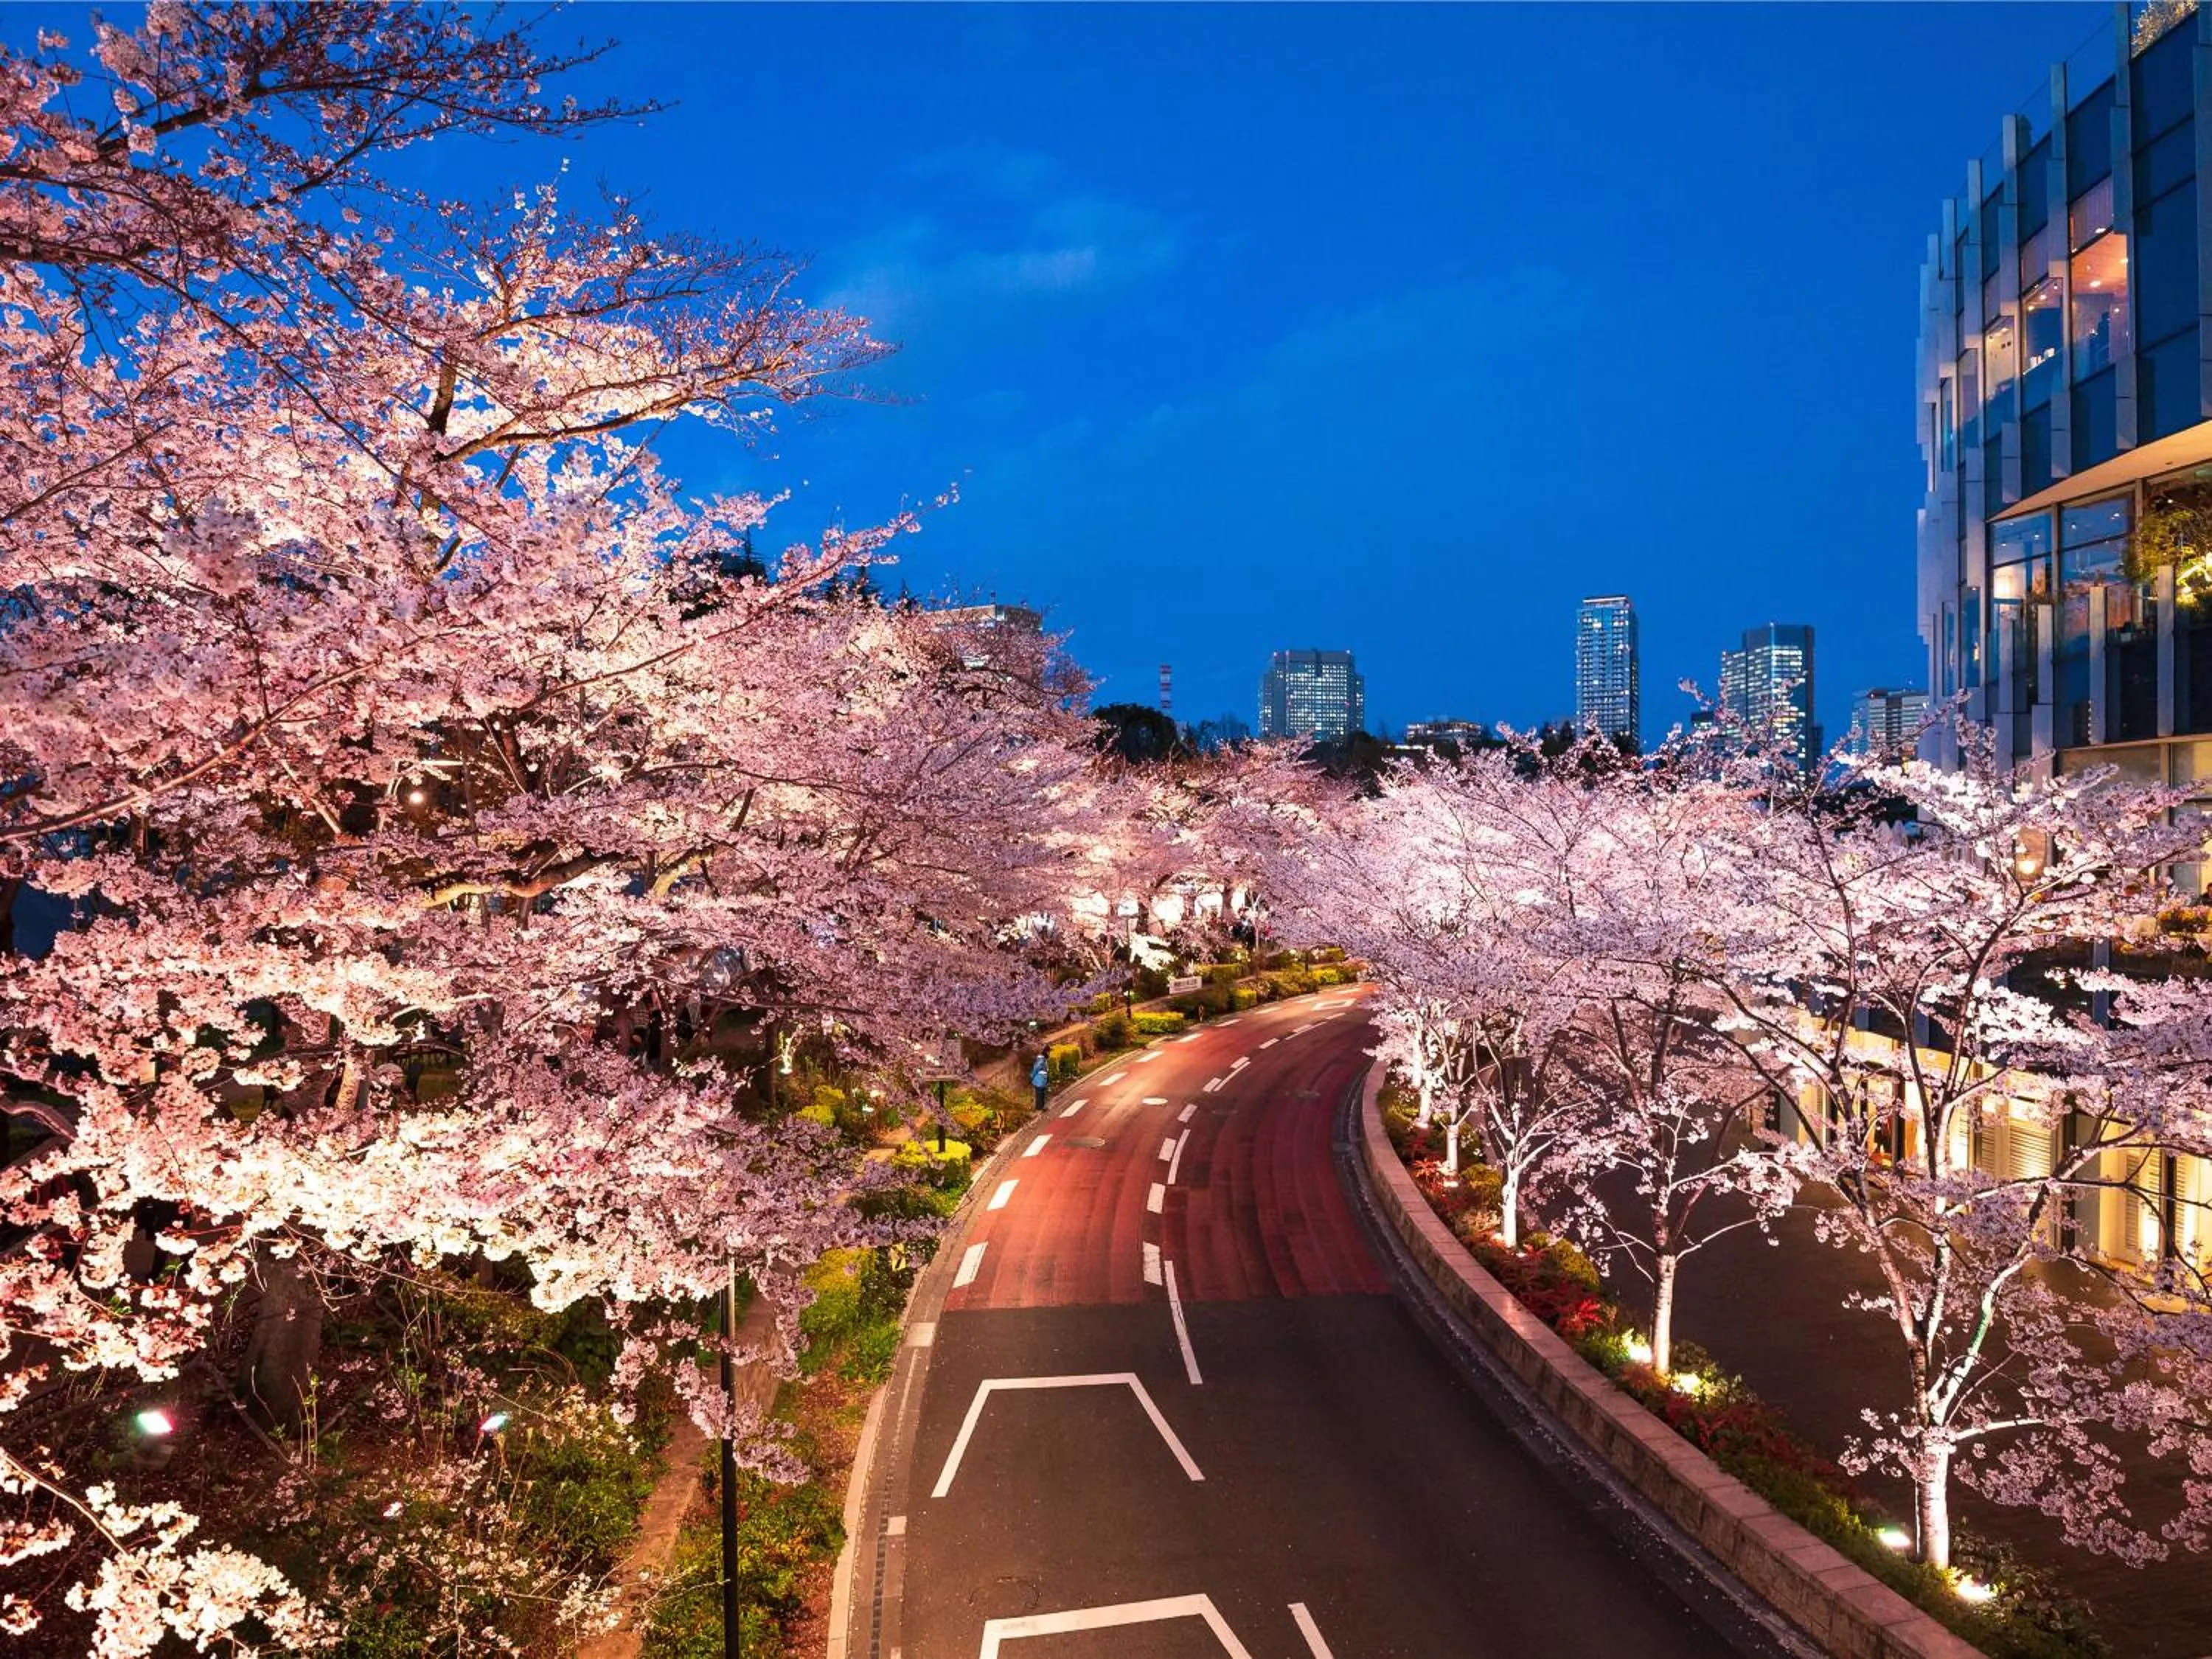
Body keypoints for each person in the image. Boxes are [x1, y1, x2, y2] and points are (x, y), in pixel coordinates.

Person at [1030, 1052, 1050, 1116]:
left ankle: (1041, 1107)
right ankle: (1039, 1108)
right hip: (1039, 1080)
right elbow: (1035, 1070)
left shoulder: (1042, 1060)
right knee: (1039, 1094)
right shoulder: (1041, 1060)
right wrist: (1031, 1077)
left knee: (1041, 1093)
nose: (1049, 1053)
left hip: (1041, 1080)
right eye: (1048, 1052)